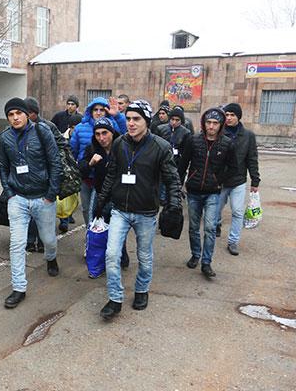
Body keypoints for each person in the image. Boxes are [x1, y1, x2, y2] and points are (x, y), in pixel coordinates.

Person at [94, 100, 181, 320]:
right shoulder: (119, 144)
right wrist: (101, 201)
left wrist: (174, 206)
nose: (131, 123)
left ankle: (142, 290)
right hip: (120, 210)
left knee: (144, 256)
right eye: (128, 119)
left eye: (136, 119)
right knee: (112, 254)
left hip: (146, 212)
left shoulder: (161, 147)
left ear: (147, 121)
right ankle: (115, 298)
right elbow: (112, 174)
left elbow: (172, 180)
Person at [0, 97, 62, 309]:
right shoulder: (4, 137)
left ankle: (51, 257)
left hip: (43, 197)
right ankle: (19, 288)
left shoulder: (42, 132)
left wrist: (51, 193)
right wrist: (9, 193)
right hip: (18, 199)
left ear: (27, 114)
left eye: (18, 113)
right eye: (10, 114)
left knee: (49, 240)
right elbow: (3, 168)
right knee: (17, 244)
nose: (15, 118)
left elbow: (55, 162)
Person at [178, 108, 234, 278]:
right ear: (203, 123)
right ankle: (196, 254)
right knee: (194, 227)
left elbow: (232, 167)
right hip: (194, 191)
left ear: (221, 124)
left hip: (213, 193)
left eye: (215, 123)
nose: (211, 126)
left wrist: (218, 180)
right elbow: (183, 163)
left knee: (209, 227)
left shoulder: (227, 143)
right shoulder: (193, 140)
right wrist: (178, 185)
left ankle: (206, 262)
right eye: (208, 122)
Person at [78, 117, 130, 270]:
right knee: (99, 227)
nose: (101, 138)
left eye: (105, 133)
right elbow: (81, 170)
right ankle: (99, 258)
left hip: (120, 195)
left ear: (112, 133)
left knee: (119, 228)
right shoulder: (91, 149)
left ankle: (122, 254)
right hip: (100, 194)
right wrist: (90, 164)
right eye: (98, 134)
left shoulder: (123, 148)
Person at [70, 96, 127, 230]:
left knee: (105, 210)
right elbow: (73, 150)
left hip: (106, 178)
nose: (99, 112)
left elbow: (126, 135)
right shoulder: (80, 128)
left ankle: (105, 235)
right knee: (87, 209)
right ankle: (91, 234)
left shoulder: (114, 125)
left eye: (102, 109)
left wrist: (118, 116)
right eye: (95, 109)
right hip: (86, 176)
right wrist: (82, 165)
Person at [23, 96, 70, 241]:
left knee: (43, 211)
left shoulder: (48, 126)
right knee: (28, 210)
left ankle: (43, 241)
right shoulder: (20, 127)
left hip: (46, 175)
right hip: (26, 175)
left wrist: (52, 159)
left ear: (33, 113)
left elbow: (63, 145)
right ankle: (30, 241)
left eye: (24, 112)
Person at [217, 103, 260, 256]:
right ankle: (216, 225)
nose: (228, 118)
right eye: (226, 115)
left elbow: (252, 159)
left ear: (238, 117)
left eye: (232, 115)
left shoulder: (248, 136)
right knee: (215, 212)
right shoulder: (219, 133)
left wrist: (255, 180)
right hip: (220, 181)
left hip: (238, 181)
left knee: (237, 212)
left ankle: (233, 241)